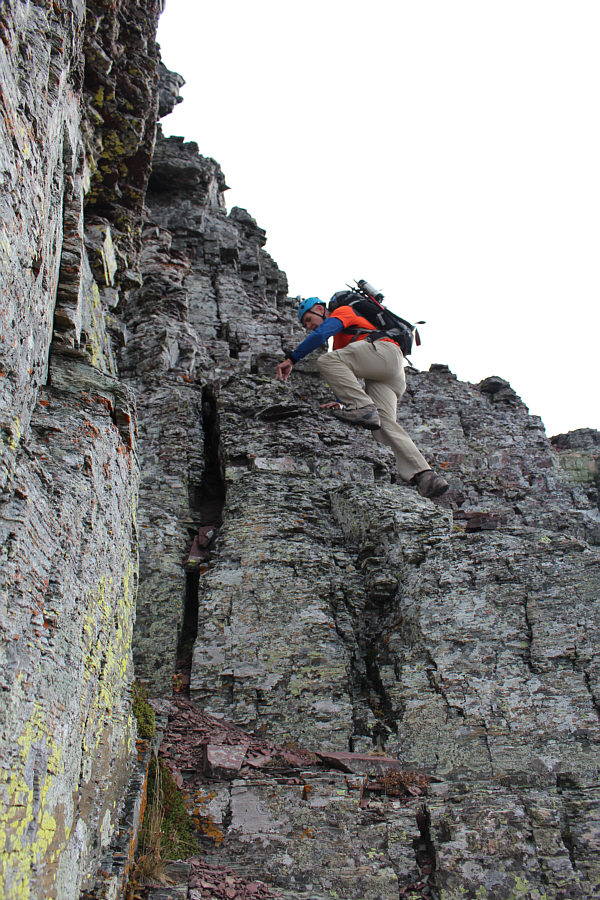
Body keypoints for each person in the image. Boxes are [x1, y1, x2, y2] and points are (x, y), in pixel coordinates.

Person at [276, 296, 449, 499]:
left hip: (385, 353)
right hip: (391, 373)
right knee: (383, 424)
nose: (308, 326)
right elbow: (347, 373)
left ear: (319, 308)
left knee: (326, 361)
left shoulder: (343, 311)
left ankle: (362, 407)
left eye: (307, 319)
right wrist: (341, 402)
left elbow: (322, 334)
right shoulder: (342, 343)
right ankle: (424, 475)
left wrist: (292, 359)